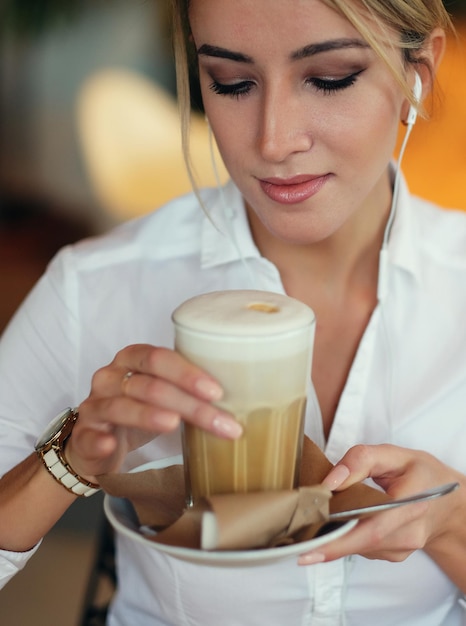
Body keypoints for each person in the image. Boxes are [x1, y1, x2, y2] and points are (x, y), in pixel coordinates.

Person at [1, 0, 465, 623]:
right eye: (232, 83)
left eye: (329, 79)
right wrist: (66, 464)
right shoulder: (96, 286)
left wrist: (450, 523)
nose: (273, 141)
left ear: (420, 72)